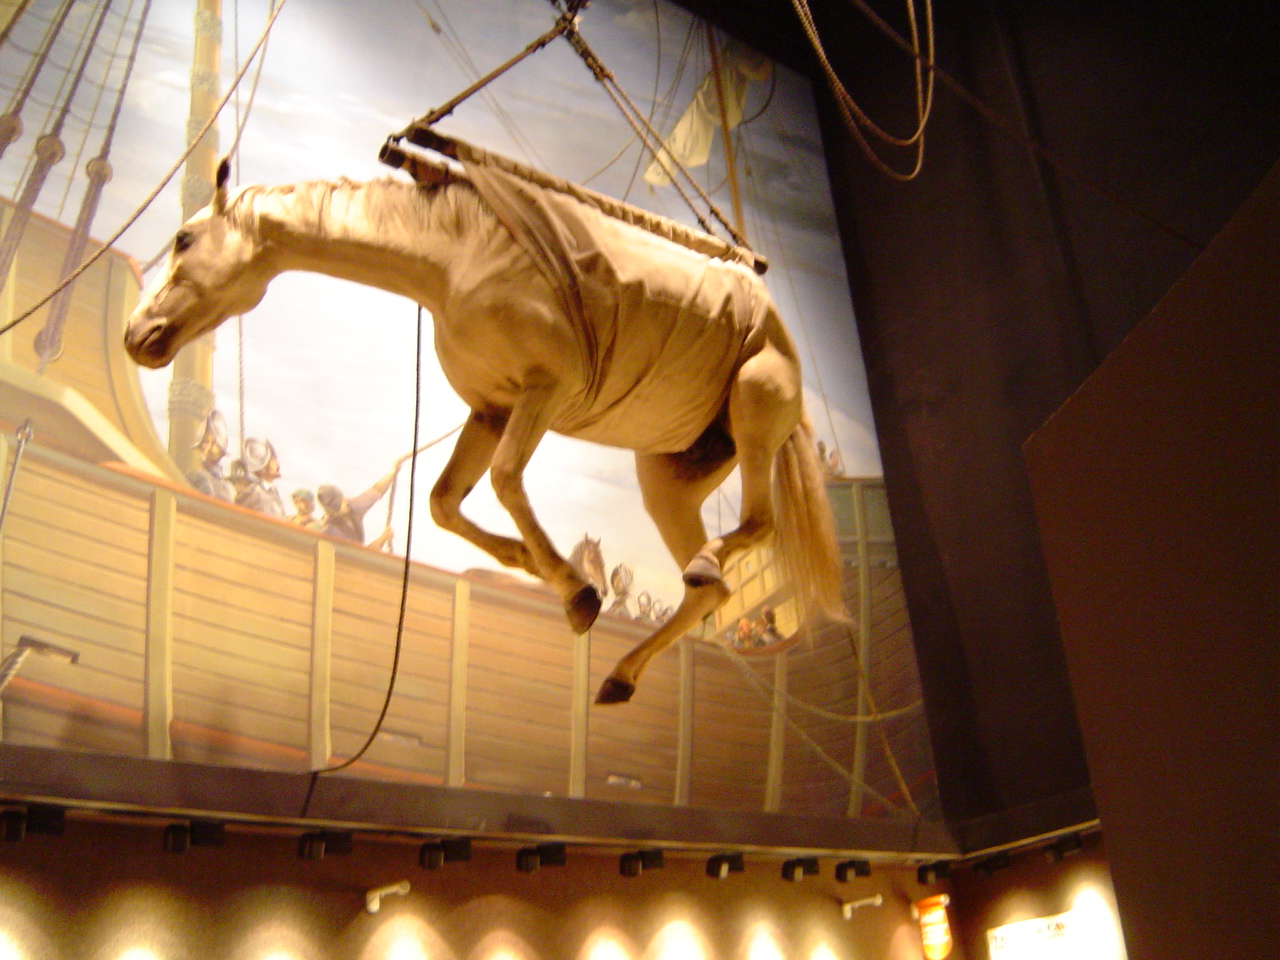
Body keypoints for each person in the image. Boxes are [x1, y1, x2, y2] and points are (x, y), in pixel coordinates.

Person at [316, 454, 409, 549]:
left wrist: (393, 473)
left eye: (343, 498)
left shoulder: (351, 507)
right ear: (333, 512)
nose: (345, 501)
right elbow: (358, 555)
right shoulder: (331, 532)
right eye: (341, 503)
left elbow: (377, 490)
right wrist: (382, 539)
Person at [187, 410, 234, 502]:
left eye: (214, 443)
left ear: (221, 449)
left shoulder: (228, 487)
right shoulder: (196, 479)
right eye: (206, 442)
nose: (209, 447)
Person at [236, 437, 286, 518]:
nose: (277, 464)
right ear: (263, 468)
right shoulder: (251, 493)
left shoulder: (274, 492)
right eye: (272, 460)